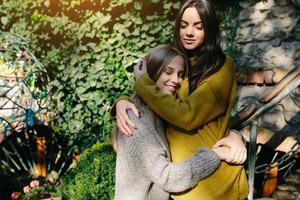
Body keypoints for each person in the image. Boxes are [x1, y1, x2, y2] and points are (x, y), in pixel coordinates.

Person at [114, 1, 249, 199]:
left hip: (216, 181)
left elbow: (187, 116)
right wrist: (122, 101)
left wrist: (237, 135)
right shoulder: (178, 62)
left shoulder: (221, 66)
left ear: (209, 29)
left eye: (198, 26)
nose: (189, 32)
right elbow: (157, 100)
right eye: (184, 25)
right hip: (181, 183)